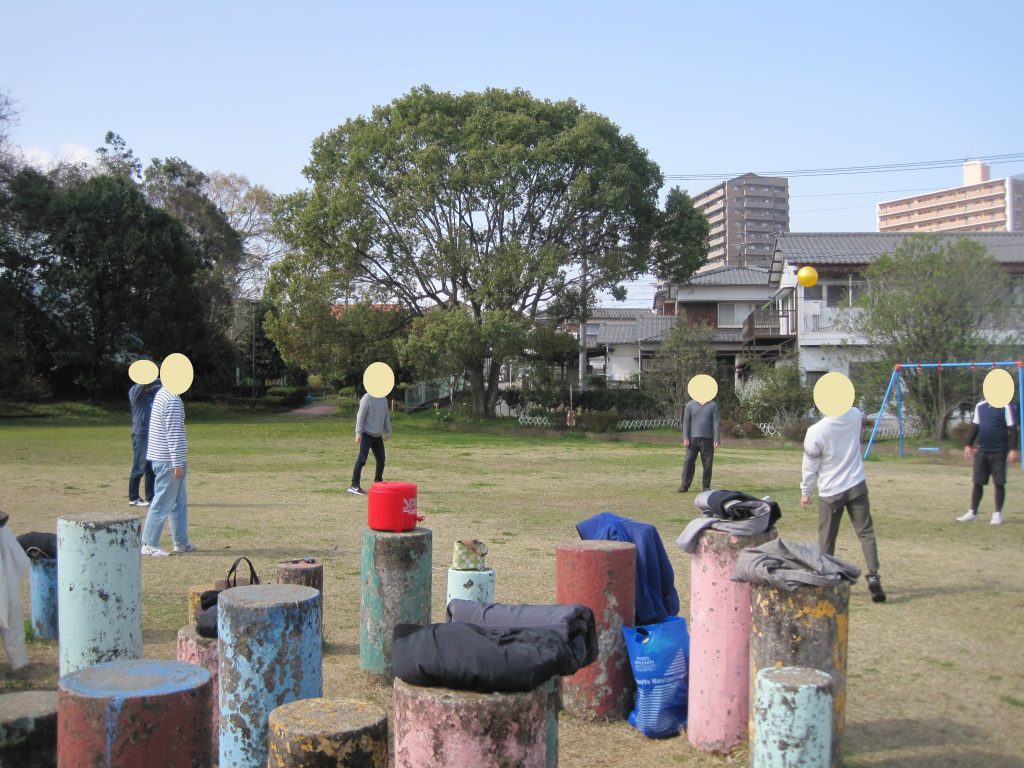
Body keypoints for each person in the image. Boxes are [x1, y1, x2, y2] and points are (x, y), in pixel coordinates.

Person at [801, 404, 886, 603]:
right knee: (866, 532)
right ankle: (873, 576)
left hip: (830, 491)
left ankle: (825, 580)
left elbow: (809, 465)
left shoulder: (816, 431)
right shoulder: (855, 416)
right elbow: (857, 411)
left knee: (827, 538)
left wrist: (806, 491)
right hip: (856, 484)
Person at [141, 385, 194, 556]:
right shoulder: (172, 399)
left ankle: (181, 542)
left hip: (162, 457)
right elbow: (174, 433)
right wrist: (177, 463)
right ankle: (148, 543)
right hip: (168, 460)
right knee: (163, 502)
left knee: (178, 502)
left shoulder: (163, 394)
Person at [957, 399, 1020, 525]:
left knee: (999, 483)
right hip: (982, 451)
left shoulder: (1006, 407)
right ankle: (973, 512)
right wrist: (968, 444)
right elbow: (975, 426)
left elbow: (1013, 428)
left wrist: (1013, 449)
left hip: (999, 451)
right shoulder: (980, 406)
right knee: (977, 482)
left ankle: (997, 514)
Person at [347, 391, 392, 496]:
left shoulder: (384, 399)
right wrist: (358, 433)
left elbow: (386, 417)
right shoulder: (366, 398)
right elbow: (360, 416)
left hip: (377, 436)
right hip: (366, 434)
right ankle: (354, 485)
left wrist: (388, 431)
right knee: (362, 460)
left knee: (381, 460)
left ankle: (378, 483)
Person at [128, 379, 160, 507]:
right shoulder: (135, 391)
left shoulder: (153, 391)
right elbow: (147, 381)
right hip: (140, 434)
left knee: (150, 467)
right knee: (139, 466)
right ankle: (133, 497)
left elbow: (161, 383)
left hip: (152, 434)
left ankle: (150, 497)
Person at [679, 398, 720, 492]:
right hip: (692, 439)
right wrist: (685, 437)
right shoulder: (689, 405)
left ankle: (706, 486)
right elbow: (686, 422)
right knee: (688, 461)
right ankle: (684, 485)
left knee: (707, 463)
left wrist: (716, 438)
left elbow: (716, 422)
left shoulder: (713, 405)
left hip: (708, 439)